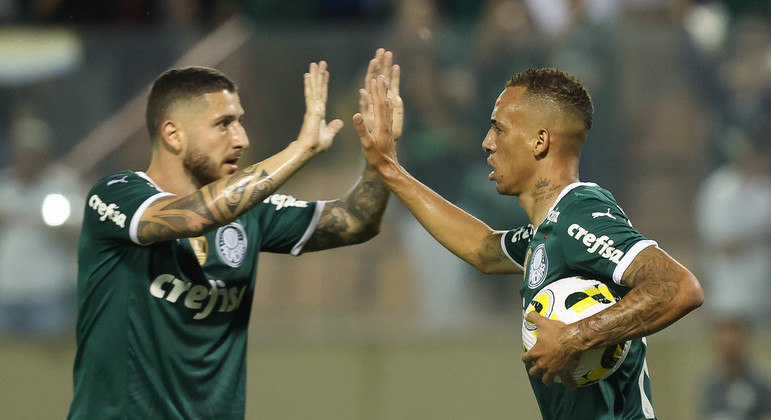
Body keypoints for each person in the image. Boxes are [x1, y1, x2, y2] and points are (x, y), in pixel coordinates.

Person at [354, 67, 704, 418]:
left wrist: (574, 338)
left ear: (539, 141)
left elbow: (679, 287)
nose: (487, 142)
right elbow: (484, 250)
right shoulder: (550, 229)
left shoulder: (579, 215)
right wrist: (389, 169)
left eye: (499, 128)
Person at [68, 51, 401, 419]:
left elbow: (357, 220)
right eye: (224, 124)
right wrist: (300, 149)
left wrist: (380, 157)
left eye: (240, 122)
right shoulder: (115, 195)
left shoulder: (251, 212)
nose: (241, 137)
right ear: (174, 135)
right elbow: (194, 218)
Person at [0, 108, 84, 339]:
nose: (27, 157)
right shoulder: (5, 186)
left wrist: (56, 226)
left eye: (33, 151)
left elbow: (81, 234)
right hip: (7, 290)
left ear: (44, 152)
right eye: (23, 151)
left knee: (49, 364)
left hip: (47, 291)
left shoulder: (63, 185)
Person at [701, 317, 771, 420]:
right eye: (722, 331)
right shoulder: (709, 384)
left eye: (734, 329)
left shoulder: (763, 382)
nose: (728, 339)